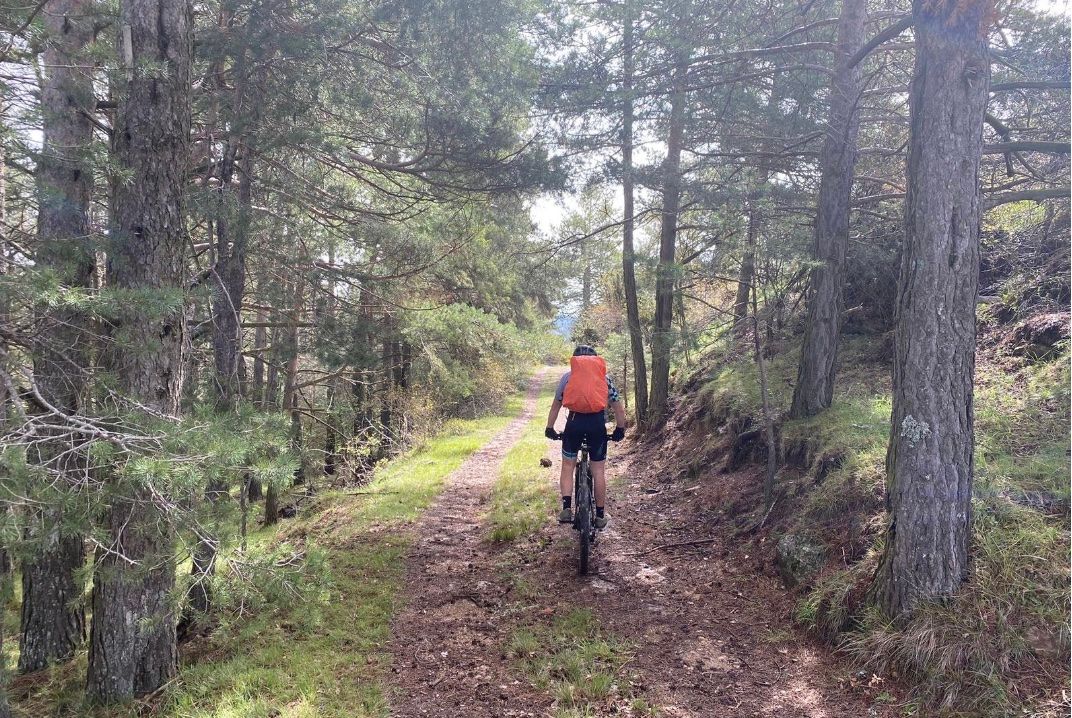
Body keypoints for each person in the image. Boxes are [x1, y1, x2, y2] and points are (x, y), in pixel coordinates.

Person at [545, 344, 627, 529]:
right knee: (598, 471)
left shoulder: (568, 377)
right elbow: (618, 408)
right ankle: (600, 516)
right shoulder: (604, 378)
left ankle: (566, 508)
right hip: (596, 425)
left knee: (568, 466)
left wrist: (550, 428)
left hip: (574, 423)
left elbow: (556, 406)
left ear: (575, 360)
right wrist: (620, 429)